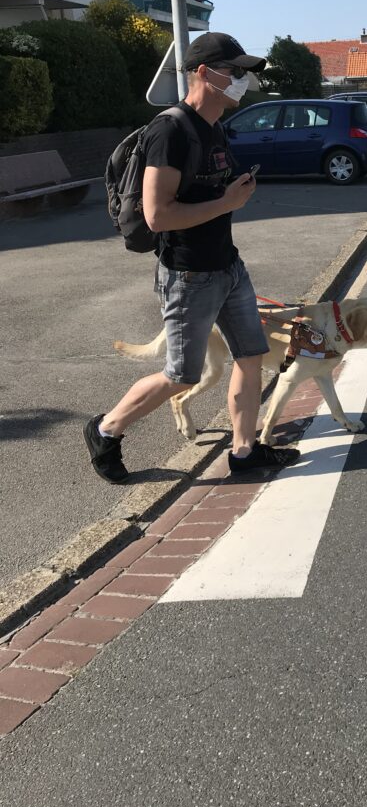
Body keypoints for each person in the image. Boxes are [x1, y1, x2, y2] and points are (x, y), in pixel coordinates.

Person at [83, 32, 300, 483]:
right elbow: (157, 215)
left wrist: (230, 192)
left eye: (245, 73)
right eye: (235, 72)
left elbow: (206, 192)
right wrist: (227, 203)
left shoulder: (214, 126)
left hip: (227, 266)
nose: (243, 81)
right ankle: (106, 429)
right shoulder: (170, 130)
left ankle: (243, 452)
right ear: (203, 72)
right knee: (182, 376)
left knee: (250, 356)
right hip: (187, 274)